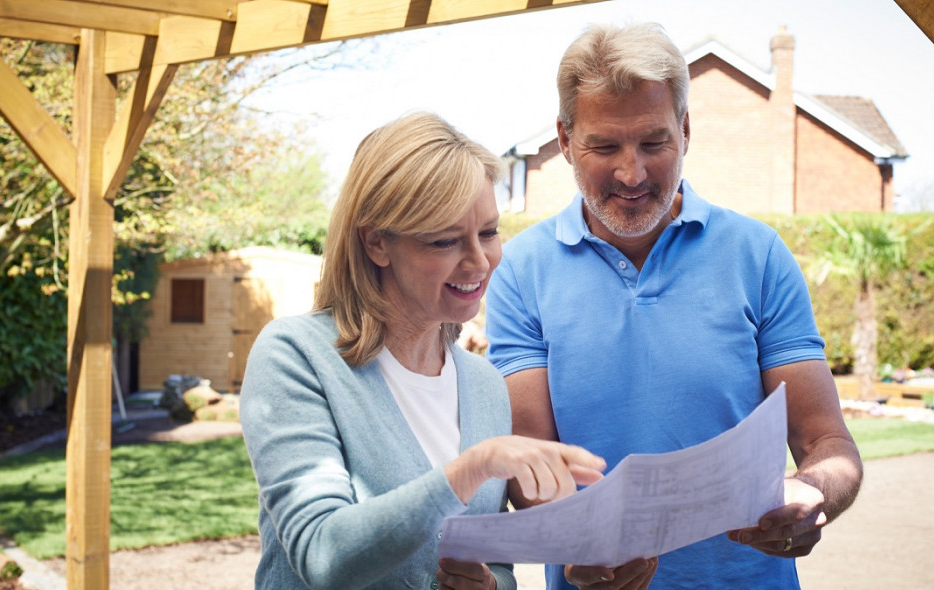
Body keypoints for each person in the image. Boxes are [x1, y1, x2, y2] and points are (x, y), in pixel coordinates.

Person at [485, 23, 864, 590]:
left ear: (685, 131)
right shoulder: (520, 270)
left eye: (653, 143)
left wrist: (814, 493)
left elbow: (825, 442)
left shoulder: (757, 256)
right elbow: (531, 465)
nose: (632, 174)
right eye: (604, 146)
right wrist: (579, 547)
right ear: (565, 140)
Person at [240, 112, 608, 590]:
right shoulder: (295, 356)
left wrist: (489, 585)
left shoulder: (482, 383)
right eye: (445, 241)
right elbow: (322, 553)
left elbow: (490, 563)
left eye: (490, 233)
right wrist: (473, 468)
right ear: (376, 242)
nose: (479, 262)